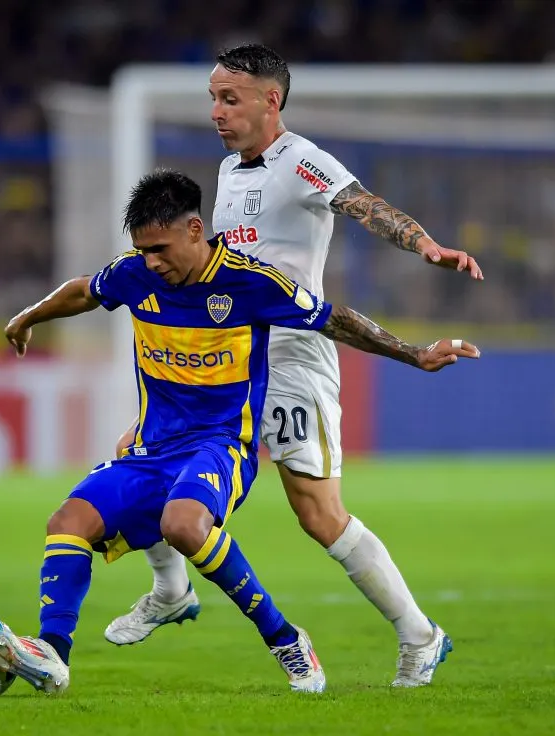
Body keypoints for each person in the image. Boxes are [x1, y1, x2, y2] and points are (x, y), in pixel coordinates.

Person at [0, 169, 480, 695]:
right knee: (67, 520)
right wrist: (27, 317)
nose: (152, 261)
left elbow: (335, 319)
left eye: (160, 248)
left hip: (220, 446)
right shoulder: (136, 275)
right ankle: (52, 654)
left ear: (196, 229)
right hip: (153, 447)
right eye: (143, 250)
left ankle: (285, 639)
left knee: (185, 523)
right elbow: (84, 291)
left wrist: (415, 353)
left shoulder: (250, 282)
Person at [105, 44, 483, 688]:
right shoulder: (230, 170)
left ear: (269, 100)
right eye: (213, 99)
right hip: (229, 355)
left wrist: (424, 245)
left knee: (318, 515)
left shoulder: (299, 159)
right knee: (140, 462)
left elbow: (361, 202)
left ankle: (420, 634)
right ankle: (170, 592)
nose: (217, 112)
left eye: (230, 98)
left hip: (291, 356)